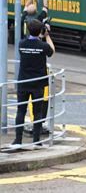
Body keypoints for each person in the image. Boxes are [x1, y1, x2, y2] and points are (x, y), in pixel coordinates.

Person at [11, 19, 55, 148]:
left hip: (23, 82)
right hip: (38, 83)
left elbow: (31, 42)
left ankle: (18, 139)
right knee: (37, 112)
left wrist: (39, 35)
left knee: (21, 110)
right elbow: (52, 51)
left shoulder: (21, 44)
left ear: (28, 30)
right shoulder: (43, 46)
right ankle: (36, 140)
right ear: (41, 30)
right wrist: (47, 36)